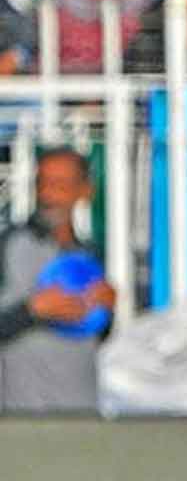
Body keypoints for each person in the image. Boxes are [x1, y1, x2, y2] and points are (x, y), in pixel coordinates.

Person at [0, 147, 114, 412]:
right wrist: (31, 311)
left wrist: (107, 312)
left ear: (85, 191)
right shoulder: (9, 245)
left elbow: (95, 336)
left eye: (60, 185)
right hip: (21, 419)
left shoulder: (92, 254)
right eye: (42, 183)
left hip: (82, 415)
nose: (48, 195)